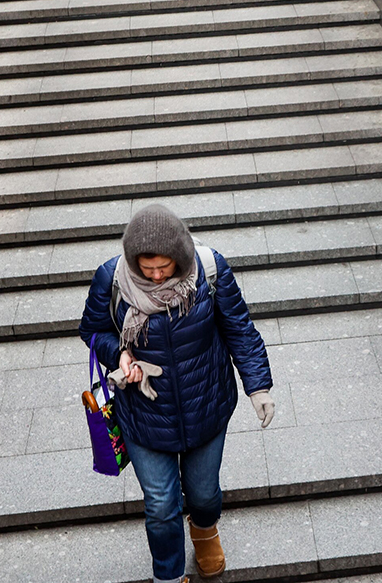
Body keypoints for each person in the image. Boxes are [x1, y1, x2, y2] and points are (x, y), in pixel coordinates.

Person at [79, 203, 275, 583]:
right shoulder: (112, 278)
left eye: (163, 267)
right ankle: (168, 575)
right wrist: (119, 354)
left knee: (203, 495)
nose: (153, 276)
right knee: (160, 505)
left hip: (206, 403)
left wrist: (259, 386)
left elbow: (240, 330)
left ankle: (203, 528)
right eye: (145, 268)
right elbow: (93, 331)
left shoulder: (210, 270)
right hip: (145, 412)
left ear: (180, 258)